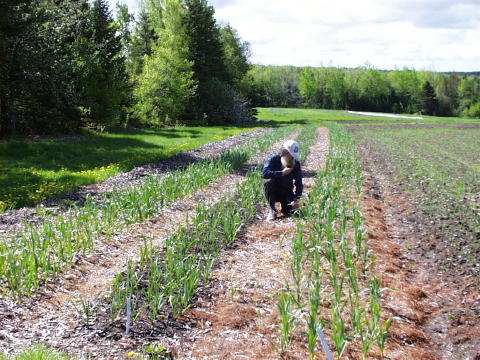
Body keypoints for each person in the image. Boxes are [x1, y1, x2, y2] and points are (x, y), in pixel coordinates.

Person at [262, 140, 303, 220]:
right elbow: (265, 174)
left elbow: (299, 182)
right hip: (274, 191)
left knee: (292, 211)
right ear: (284, 152)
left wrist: (296, 199)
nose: (292, 158)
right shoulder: (273, 159)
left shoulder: (295, 164)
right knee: (268, 182)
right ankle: (272, 209)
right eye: (291, 155)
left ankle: (286, 206)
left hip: (286, 191)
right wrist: (282, 173)